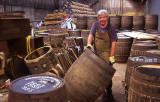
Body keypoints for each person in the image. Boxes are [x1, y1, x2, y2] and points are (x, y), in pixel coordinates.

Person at [86, 9, 117, 102]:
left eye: (104, 17)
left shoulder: (111, 28)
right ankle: (101, 91)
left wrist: (111, 57)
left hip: (106, 53)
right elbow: (91, 35)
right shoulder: (95, 25)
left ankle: (109, 91)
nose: (102, 19)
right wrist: (89, 44)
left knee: (106, 75)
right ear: (98, 19)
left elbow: (114, 43)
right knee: (97, 73)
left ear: (107, 18)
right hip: (97, 53)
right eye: (100, 18)